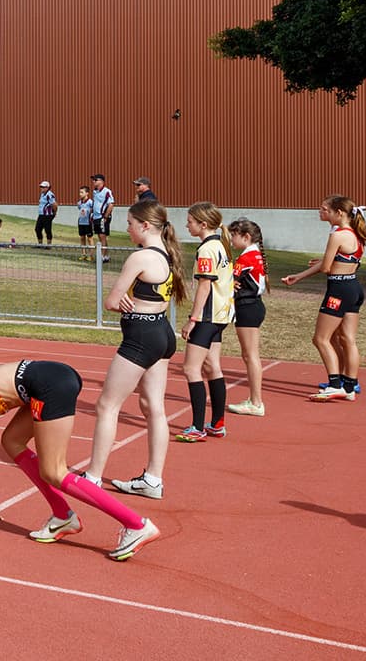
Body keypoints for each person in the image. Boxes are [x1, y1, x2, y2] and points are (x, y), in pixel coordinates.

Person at [0, 359, 161, 560]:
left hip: (49, 383)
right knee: (11, 441)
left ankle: (136, 524)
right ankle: (63, 516)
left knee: (54, 471)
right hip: (49, 379)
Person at [82, 199, 180, 502]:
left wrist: (121, 300)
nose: (127, 229)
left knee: (107, 406)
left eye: (130, 224)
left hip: (141, 334)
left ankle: (93, 477)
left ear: (145, 226)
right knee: (154, 408)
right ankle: (153, 478)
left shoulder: (140, 258)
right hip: (162, 331)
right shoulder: (168, 254)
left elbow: (111, 301)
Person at [284, 194, 366, 402]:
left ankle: (334, 384)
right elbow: (344, 261)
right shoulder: (358, 235)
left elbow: (326, 268)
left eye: (324, 209)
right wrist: (300, 276)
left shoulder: (338, 235)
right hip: (353, 287)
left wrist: (316, 266)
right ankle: (349, 386)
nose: (321, 212)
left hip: (338, 289)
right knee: (348, 339)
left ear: (338, 213)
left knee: (320, 338)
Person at [172, 203, 235, 442]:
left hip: (208, 316)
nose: (187, 225)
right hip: (221, 315)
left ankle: (197, 426)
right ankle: (217, 423)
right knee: (212, 367)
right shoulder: (221, 245)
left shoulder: (208, 249)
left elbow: (205, 285)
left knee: (191, 368)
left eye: (190, 221)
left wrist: (193, 319)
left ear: (203, 224)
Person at [225, 218, 269, 417]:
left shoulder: (247, 258)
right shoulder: (253, 254)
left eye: (234, 235)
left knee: (251, 356)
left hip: (248, 307)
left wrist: (227, 282)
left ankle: (256, 402)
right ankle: (254, 399)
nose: (232, 239)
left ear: (246, 237)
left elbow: (228, 281)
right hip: (250, 306)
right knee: (249, 355)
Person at [89, 174, 116, 258]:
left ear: (101, 181)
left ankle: (103, 256)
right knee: (100, 236)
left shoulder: (106, 191)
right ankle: (106, 255)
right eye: (93, 180)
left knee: (102, 236)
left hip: (102, 217)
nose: (94, 181)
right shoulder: (95, 191)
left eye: (96, 180)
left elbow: (111, 204)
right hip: (96, 217)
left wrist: (105, 216)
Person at [75, 185, 97, 260]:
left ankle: (91, 255)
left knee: (90, 238)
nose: (80, 194)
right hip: (81, 222)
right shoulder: (79, 203)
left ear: (87, 193)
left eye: (82, 192)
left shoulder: (90, 202)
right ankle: (83, 254)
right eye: (80, 192)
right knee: (82, 238)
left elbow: (93, 211)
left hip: (88, 223)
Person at [34, 181, 58, 246]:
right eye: (41, 187)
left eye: (43, 187)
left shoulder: (50, 195)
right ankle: (40, 244)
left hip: (48, 215)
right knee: (37, 229)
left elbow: (54, 204)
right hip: (41, 214)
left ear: (47, 187)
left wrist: (54, 212)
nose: (41, 188)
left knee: (47, 230)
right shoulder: (42, 194)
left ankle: (49, 245)